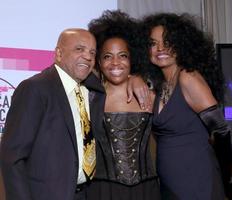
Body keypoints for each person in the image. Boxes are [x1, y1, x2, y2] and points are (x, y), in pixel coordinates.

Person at [0, 28, 150, 200]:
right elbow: (12, 158)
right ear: (58, 53)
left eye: (92, 52)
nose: (87, 56)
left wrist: (135, 77)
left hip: (88, 193)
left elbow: (116, 73)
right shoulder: (35, 88)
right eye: (79, 49)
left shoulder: (93, 90)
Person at [141, 13, 232, 200]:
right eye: (153, 43)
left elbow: (222, 131)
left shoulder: (188, 78)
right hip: (170, 182)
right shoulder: (161, 84)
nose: (160, 48)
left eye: (168, 41)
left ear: (182, 44)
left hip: (197, 180)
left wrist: (227, 180)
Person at [87, 10, 161, 200]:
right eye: (107, 56)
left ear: (132, 58)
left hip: (146, 191)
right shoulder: (89, 98)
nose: (115, 63)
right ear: (98, 61)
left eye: (123, 55)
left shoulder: (150, 95)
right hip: (103, 191)